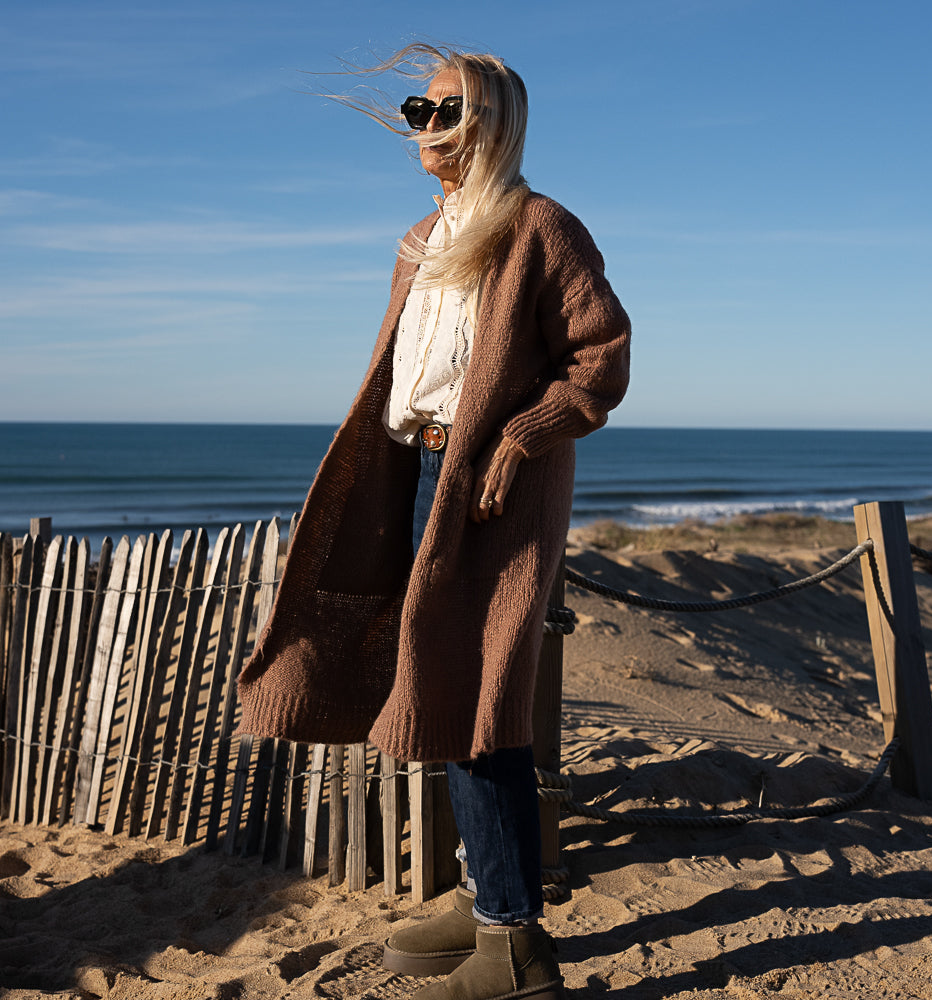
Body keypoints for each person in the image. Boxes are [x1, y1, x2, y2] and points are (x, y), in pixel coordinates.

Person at [237, 44, 630, 1000]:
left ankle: (514, 945)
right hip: (425, 474)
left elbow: (602, 358)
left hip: (499, 489)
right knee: (444, 687)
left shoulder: (541, 227)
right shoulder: (423, 237)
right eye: (416, 106)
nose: (422, 121)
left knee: (485, 695)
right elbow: (407, 373)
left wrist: (521, 438)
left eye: (443, 106)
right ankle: (486, 892)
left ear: (490, 120)